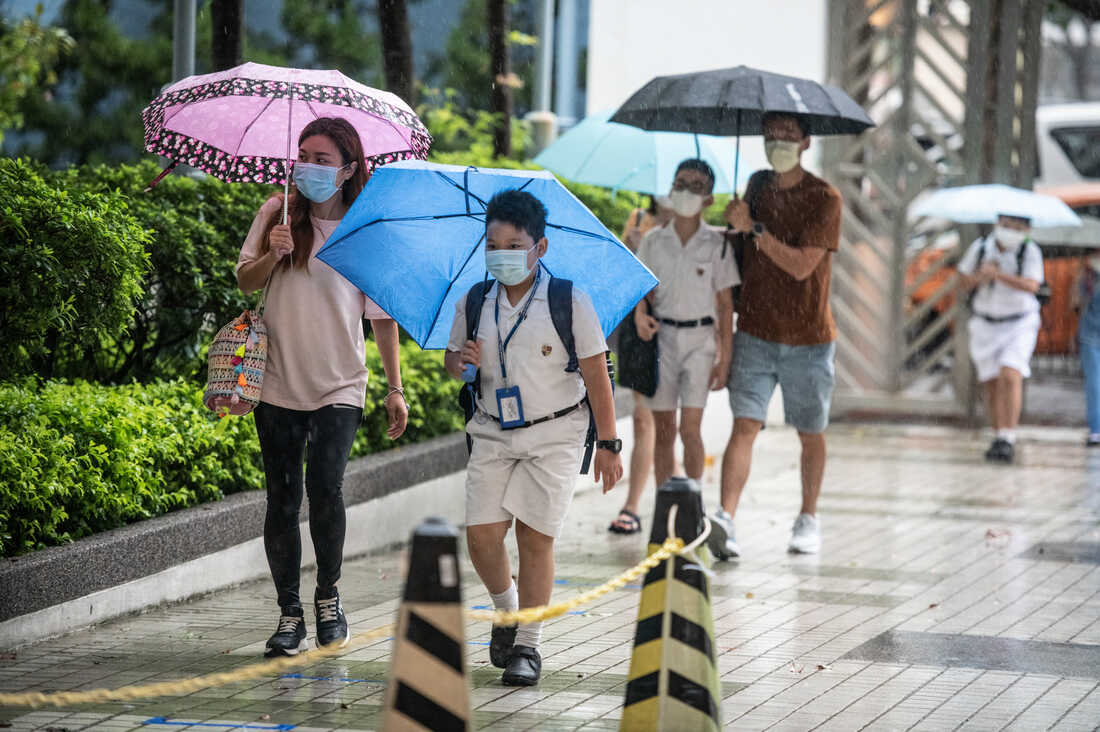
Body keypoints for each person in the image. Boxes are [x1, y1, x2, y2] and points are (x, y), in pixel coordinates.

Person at [236, 117, 409, 657]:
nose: (307, 166)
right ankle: (290, 612)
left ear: (349, 169)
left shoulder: (364, 230)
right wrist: (274, 252)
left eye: (321, 159)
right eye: (302, 154)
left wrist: (395, 388)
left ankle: (328, 597)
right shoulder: (276, 212)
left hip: (341, 384)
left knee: (326, 489)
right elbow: (244, 278)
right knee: (282, 500)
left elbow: (381, 317)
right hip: (277, 381)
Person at [445, 190, 623, 687]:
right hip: (491, 430)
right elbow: (452, 362)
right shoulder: (476, 300)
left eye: (514, 243)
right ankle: (508, 612)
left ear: (539, 247)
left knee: (535, 538)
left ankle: (528, 645)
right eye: (492, 242)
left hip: (556, 432)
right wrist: (464, 361)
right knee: (481, 537)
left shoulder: (570, 301)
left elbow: (596, 376)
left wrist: (608, 445)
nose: (501, 252)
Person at [712, 112, 842, 559]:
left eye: (789, 134)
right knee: (745, 424)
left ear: (806, 142)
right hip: (755, 329)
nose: (779, 142)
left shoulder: (825, 197)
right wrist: (729, 225)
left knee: (810, 429)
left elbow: (803, 265)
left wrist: (755, 230)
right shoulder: (756, 185)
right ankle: (725, 520)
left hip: (809, 336)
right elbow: (736, 249)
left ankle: (808, 515)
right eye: (771, 135)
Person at [629, 159, 737, 504]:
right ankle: (664, 501)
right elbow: (639, 292)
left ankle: (693, 503)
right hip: (663, 341)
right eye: (681, 183)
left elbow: (725, 306)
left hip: (702, 342)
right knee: (664, 430)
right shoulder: (652, 242)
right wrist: (640, 314)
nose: (686, 191)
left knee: (690, 429)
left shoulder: (717, 245)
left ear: (709, 199)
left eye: (696, 186)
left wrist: (725, 359)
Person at [609, 194, 674, 535]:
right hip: (638, 330)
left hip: (675, 327)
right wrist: (633, 249)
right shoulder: (638, 219)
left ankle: (674, 502)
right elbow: (622, 276)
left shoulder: (688, 229)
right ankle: (632, 505)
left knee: (670, 422)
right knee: (643, 418)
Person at [957, 214, 1043, 463]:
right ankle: (998, 436)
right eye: (1006, 226)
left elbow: (1032, 285)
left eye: (1017, 228)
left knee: (1011, 373)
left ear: (1026, 229)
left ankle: (1008, 436)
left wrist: (1000, 275)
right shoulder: (981, 248)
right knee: (992, 382)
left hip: (1019, 323)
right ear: (997, 224)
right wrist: (980, 277)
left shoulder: (1029, 251)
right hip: (986, 323)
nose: (1010, 231)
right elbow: (962, 280)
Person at [1075, 252, 1100, 447]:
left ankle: (1096, 430)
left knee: (1094, 383)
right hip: (1090, 335)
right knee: (1094, 383)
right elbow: (1075, 304)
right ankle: (1096, 430)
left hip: (1090, 335)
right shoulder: (1088, 277)